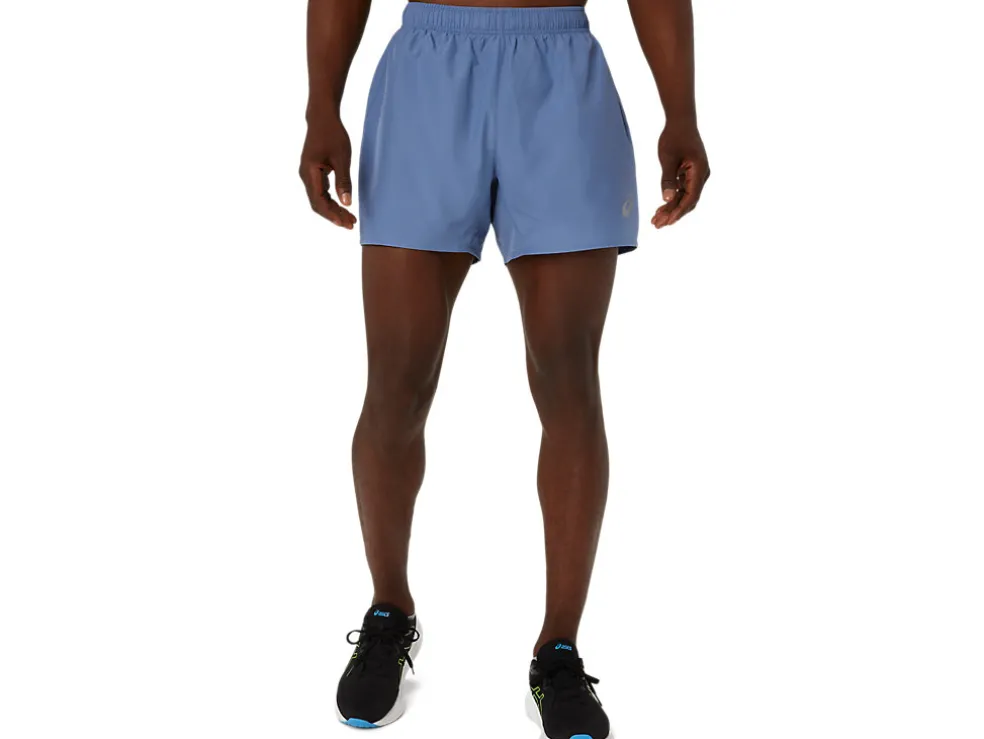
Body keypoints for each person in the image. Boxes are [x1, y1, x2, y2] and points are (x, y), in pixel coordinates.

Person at [300, 1, 709, 736]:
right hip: (427, 74)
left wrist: (681, 109)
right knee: (397, 383)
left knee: (568, 381)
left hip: (563, 78)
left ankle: (559, 651)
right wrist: (320, 104)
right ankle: (389, 611)